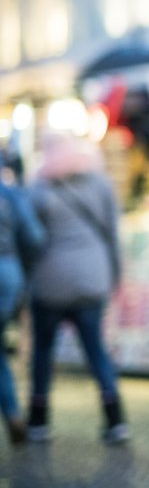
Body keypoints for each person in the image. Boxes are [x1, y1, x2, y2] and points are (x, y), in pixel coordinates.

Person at [25, 132, 129, 444]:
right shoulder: (99, 183)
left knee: (43, 351)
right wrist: (115, 275)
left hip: (49, 282)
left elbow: (30, 239)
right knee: (95, 349)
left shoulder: (39, 187)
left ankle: (38, 421)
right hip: (91, 277)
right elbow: (112, 232)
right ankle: (115, 420)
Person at [0, 163, 46, 445]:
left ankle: (14, 413)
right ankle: (13, 413)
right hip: (8, 274)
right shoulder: (9, 193)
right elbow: (34, 237)